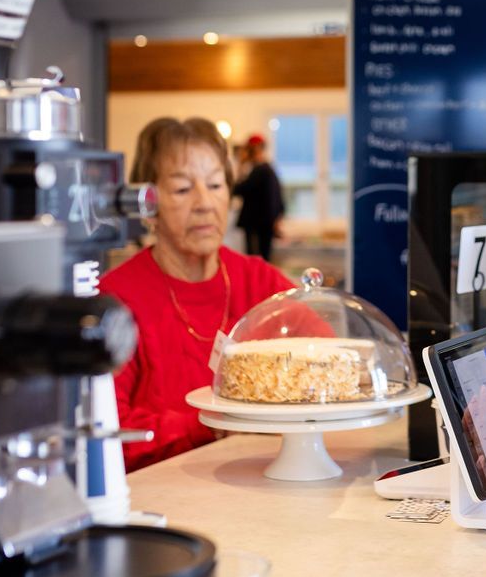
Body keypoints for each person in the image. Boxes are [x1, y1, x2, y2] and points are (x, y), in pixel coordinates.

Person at [100, 117, 329, 472]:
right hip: (159, 496)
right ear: (148, 205)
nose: (204, 203)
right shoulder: (115, 301)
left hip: (266, 482)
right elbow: (109, 435)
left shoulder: (259, 282)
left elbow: (330, 363)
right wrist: (210, 424)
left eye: (216, 184)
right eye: (181, 189)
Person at [234, 133, 285, 262]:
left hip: (257, 224)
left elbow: (239, 189)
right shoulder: (267, 168)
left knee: (256, 261)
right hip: (264, 223)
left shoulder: (260, 170)